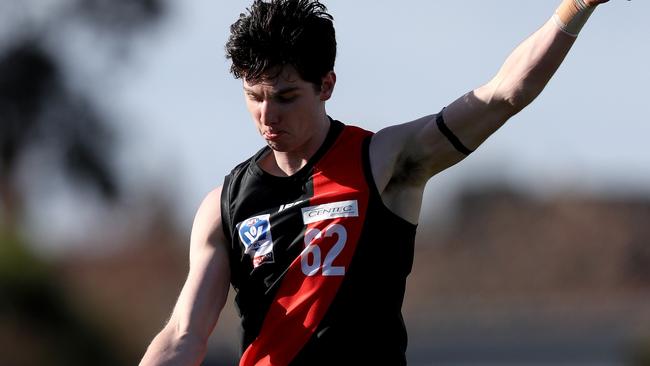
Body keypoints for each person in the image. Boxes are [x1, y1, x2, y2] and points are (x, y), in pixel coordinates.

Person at [140, 0, 612, 365]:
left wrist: (577, 7)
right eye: (254, 96)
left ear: (326, 85)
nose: (267, 115)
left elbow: (501, 95)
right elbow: (184, 334)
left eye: (285, 97)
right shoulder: (223, 204)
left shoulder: (383, 161)